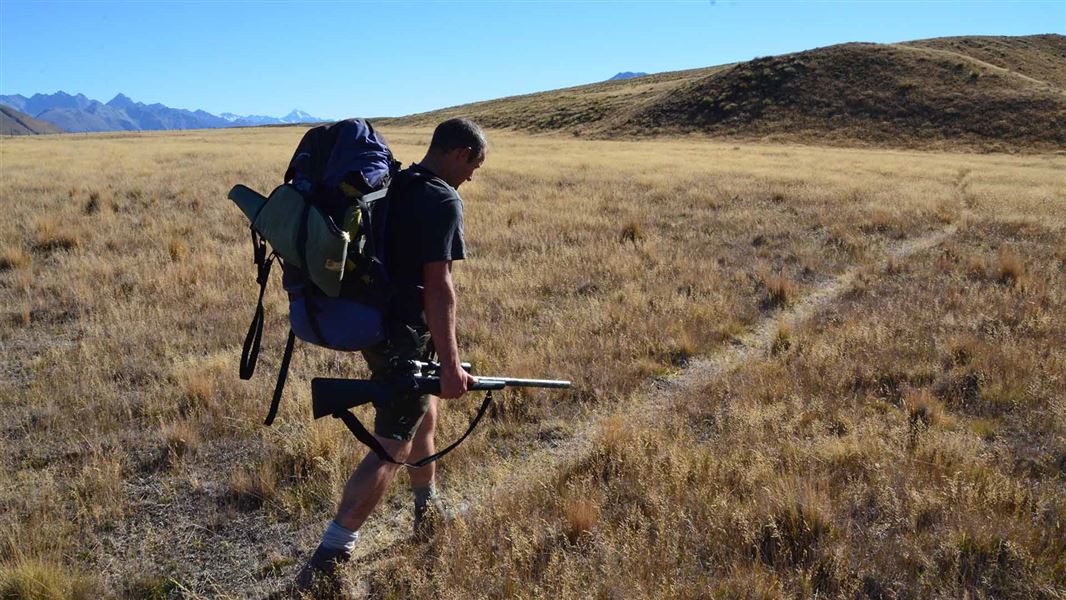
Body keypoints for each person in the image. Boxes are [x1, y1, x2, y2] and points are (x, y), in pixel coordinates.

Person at [293, 118, 486, 595]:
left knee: (424, 416)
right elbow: (439, 289)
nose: (473, 176)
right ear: (460, 152)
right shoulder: (442, 198)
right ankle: (332, 553)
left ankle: (427, 505)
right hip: (404, 335)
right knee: (390, 444)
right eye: (475, 165)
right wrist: (450, 363)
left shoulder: (391, 183)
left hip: (375, 326)